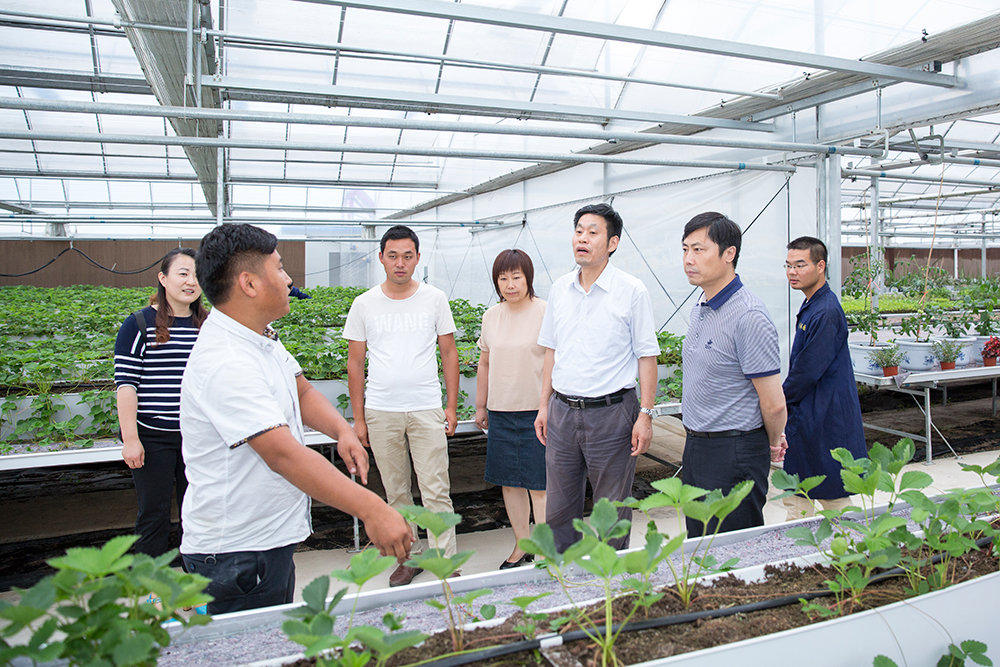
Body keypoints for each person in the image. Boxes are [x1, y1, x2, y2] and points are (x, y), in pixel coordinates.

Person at [179, 223, 411, 615]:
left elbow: (300, 390)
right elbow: (282, 454)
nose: (288, 279)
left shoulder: (260, 336)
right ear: (249, 283)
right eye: (280, 268)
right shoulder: (227, 361)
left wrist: (341, 430)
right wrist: (372, 509)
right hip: (236, 554)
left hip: (265, 541)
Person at [534, 203, 660, 553]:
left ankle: (611, 577)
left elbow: (647, 357)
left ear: (612, 243)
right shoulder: (560, 289)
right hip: (562, 411)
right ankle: (563, 575)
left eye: (593, 232)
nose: (583, 239)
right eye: (579, 231)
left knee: (611, 509)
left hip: (612, 413)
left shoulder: (632, 290)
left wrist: (645, 415)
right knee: (559, 507)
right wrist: (544, 406)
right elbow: (551, 351)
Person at [345, 225, 461, 587]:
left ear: (417, 258)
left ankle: (444, 560)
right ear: (381, 257)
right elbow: (355, 363)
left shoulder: (434, 298)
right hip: (382, 410)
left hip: (426, 407)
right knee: (396, 491)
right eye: (393, 256)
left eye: (407, 256)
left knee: (435, 488)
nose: (400, 263)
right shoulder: (364, 304)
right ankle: (408, 558)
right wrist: (359, 419)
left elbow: (449, 352)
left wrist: (451, 406)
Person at [680, 212, 787, 537]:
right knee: (699, 544)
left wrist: (772, 443)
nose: (688, 259)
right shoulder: (702, 305)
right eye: (685, 249)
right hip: (696, 446)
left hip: (734, 452)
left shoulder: (748, 316)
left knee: (733, 549)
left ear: (729, 253)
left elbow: (774, 404)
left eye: (699, 250)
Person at [115, 247, 207, 558]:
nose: (191, 282)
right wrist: (131, 440)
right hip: (152, 436)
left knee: (197, 513)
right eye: (183, 273)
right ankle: (149, 585)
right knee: (153, 514)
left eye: (197, 275)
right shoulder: (138, 324)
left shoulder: (208, 326)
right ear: (163, 278)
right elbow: (126, 385)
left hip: (197, 436)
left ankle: (195, 583)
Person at [782, 236, 867, 519]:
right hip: (811, 412)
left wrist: (777, 401)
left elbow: (807, 371)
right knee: (799, 494)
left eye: (800, 265)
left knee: (833, 496)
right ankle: (797, 544)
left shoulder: (826, 311)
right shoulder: (814, 305)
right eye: (788, 266)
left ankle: (851, 543)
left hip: (824, 415)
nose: (792, 272)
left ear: (820, 266)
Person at [475, 249, 548, 569]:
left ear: (528, 278)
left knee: (539, 484)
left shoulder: (545, 312)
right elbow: (484, 362)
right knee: (510, 482)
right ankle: (521, 544)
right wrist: (481, 405)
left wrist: (548, 406)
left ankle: (544, 547)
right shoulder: (491, 316)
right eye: (503, 278)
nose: (510, 284)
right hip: (501, 412)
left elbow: (554, 362)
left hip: (537, 412)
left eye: (516, 277)